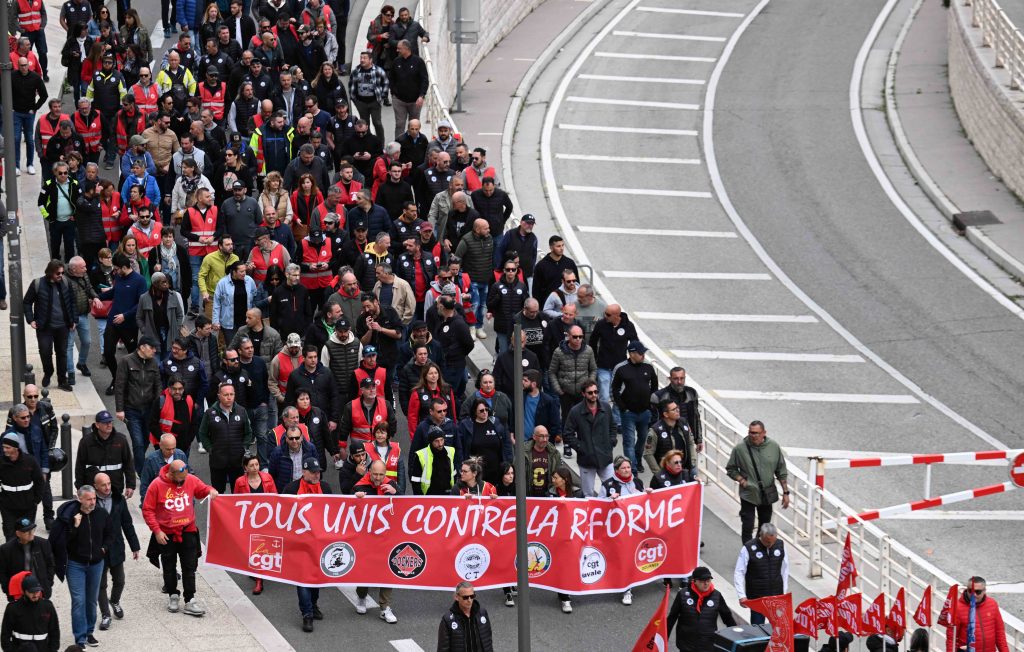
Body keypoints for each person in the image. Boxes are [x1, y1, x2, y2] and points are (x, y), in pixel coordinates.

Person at [141, 460, 217, 616]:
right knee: (169, 567)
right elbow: (148, 510)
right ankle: (173, 595)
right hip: (166, 533)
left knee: (190, 566)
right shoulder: (156, 485)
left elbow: (202, 489)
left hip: (187, 531)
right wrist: (156, 531)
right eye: (181, 477)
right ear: (171, 472)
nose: (183, 480)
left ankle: (190, 599)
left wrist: (210, 490)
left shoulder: (190, 479)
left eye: (185, 476)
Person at [50, 485, 111, 648]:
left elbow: (110, 534)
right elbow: (60, 542)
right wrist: (74, 527)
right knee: (78, 601)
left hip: (96, 564)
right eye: (89, 499)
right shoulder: (70, 516)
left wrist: (104, 548)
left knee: (91, 601)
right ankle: (80, 638)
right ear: (79, 499)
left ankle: (89, 632)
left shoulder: (101, 514)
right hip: (75, 565)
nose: (93, 502)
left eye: (94, 499)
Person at [280, 457, 332, 632]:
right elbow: (283, 515)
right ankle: (307, 614)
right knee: (303, 579)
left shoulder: (325, 488)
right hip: (299, 543)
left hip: (319, 542)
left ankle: (313, 604)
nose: (317, 475)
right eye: (313, 472)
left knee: (316, 578)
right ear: (303, 472)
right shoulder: (291, 489)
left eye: (318, 472)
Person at [725, 420, 790, 543]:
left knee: (764, 527)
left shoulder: (773, 447)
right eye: (751, 432)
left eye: (756, 433)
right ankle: (747, 553)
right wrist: (742, 480)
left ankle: (759, 552)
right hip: (748, 493)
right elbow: (731, 469)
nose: (753, 436)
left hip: (766, 493)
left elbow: (781, 470)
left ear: (764, 433)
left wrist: (786, 493)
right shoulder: (740, 449)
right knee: (747, 525)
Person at [350, 460, 397, 623]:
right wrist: (356, 499)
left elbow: (404, 506)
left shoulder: (391, 485)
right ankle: (361, 596)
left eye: (381, 475)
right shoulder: (359, 486)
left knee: (388, 571)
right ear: (369, 472)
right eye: (375, 474)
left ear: (386, 474)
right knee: (365, 571)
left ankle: (384, 607)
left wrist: (396, 492)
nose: (378, 478)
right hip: (366, 538)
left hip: (386, 537)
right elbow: (347, 509)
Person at [91, 473, 139, 631]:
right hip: (99, 550)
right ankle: (105, 614)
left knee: (120, 580)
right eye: (103, 485)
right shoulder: (91, 501)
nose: (107, 487)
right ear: (96, 486)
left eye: (109, 483)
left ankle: (115, 601)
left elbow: (127, 523)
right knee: (101, 584)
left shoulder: (118, 499)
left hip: (116, 547)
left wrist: (135, 546)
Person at [23, 260, 77, 391]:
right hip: (44, 327)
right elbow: (27, 302)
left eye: (62, 273)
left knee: (62, 353)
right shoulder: (37, 284)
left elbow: (72, 301)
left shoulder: (65, 282)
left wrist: (74, 320)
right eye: (58, 273)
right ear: (50, 272)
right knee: (45, 351)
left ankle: (62, 380)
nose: (61, 275)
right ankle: (48, 372)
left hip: (63, 326)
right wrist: (31, 320)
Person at [114, 335, 161, 474]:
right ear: (142, 347)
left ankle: (134, 463)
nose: (154, 351)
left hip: (149, 409)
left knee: (145, 440)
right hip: (131, 409)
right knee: (138, 442)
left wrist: (158, 405)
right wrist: (119, 409)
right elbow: (120, 386)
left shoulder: (154, 363)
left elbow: (158, 385)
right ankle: (140, 472)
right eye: (151, 348)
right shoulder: (126, 361)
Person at [198, 383, 254, 493]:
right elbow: (202, 433)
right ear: (219, 396)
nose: (229, 397)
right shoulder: (210, 413)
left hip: (237, 461)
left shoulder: (242, 411)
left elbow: (248, 433)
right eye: (225, 395)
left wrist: (243, 448)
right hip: (217, 461)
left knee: (238, 492)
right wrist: (210, 449)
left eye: (231, 394)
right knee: (218, 493)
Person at [611, 340, 658, 472]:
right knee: (629, 442)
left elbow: (654, 386)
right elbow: (614, 390)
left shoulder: (648, 368)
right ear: (632, 354)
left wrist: (650, 405)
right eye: (641, 353)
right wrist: (622, 408)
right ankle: (633, 468)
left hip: (645, 412)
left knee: (643, 439)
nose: (643, 355)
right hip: (628, 413)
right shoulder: (621, 369)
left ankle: (637, 458)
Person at [666, 566, 736, 652]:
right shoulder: (682, 594)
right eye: (702, 581)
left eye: (708, 580)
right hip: (686, 644)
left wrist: (737, 636)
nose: (706, 583)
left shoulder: (717, 596)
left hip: (708, 645)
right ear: (694, 581)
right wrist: (663, 638)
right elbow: (672, 617)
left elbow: (727, 617)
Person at [563, 381, 614, 497]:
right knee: (588, 494)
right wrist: (581, 447)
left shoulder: (605, 407)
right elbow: (567, 433)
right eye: (590, 393)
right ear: (583, 394)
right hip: (587, 459)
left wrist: (611, 442)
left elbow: (613, 426)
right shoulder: (575, 411)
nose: (594, 395)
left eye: (596, 392)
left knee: (612, 490)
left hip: (605, 457)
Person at [733, 523, 788, 626]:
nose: (770, 544)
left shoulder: (780, 546)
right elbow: (739, 572)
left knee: (779, 628)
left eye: (773, 541)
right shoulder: (748, 548)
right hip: (757, 597)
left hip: (776, 596)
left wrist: (783, 592)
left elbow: (784, 570)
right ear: (760, 535)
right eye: (767, 542)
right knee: (758, 628)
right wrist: (741, 595)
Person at [74, 411, 136, 499]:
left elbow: (128, 463)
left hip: (115, 488)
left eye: (110, 422)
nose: (109, 425)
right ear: (97, 425)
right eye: (105, 423)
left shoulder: (121, 440)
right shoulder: (86, 442)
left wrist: (130, 485)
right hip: (93, 489)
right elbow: (80, 466)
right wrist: (79, 487)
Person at [457, 399, 511, 489]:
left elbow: (506, 443)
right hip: (476, 473)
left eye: (486, 409)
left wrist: (508, 462)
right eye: (481, 410)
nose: (485, 412)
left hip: (495, 470)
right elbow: (461, 447)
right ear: (475, 412)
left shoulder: (496, 423)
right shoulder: (466, 426)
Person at [945, 577, 1008, 652]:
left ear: (984, 591)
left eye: (978, 592)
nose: (973, 594)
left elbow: (1000, 633)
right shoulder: (957, 608)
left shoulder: (992, 604)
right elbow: (951, 638)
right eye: (970, 591)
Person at [0, 434, 45, 540]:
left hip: (27, 507)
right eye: (3, 447)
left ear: (16, 448)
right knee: (10, 536)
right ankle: (11, 557)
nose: (4, 449)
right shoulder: (1, 463)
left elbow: (40, 481)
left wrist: (36, 501)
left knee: (26, 536)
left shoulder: (30, 461)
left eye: (7, 447)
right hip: (8, 508)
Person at [0, 572, 60, 650]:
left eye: (37, 591)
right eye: (32, 592)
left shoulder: (48, 607)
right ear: (24, 591)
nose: (35, 595)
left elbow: (54, 632)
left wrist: (52, 650)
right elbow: (5, 636)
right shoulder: (13, 608)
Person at [0, 518, 54, 600]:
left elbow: (51, 564)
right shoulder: (6, 549)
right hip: (18, 592)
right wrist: (8, 590)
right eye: (26, 531)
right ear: (18, 533)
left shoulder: (43, 544)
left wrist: (48, 582)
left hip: (40, 590)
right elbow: (2, 572)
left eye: (32, 530)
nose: (31, 533)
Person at [645, 401, 698, 484]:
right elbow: (648, 454)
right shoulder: (655, 430)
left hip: (686, 470)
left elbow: (691, 442)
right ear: (666, 414)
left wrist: (693, 461)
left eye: (677, 408)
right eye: (674, 409)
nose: (678, 410)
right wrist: (659, 473)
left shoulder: (683, 422)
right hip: (667, 474)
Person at [437, 581, 493, 652]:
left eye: (472, 596)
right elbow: (443, 648)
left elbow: (488, 641)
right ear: (456, 597)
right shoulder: (448, 619)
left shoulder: (482, 613)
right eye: (465, 597)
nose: (469, 600)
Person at [138, 434, 189, 502]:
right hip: (159, 501)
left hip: (177, 500)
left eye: (174, 448)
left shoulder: (181, 456)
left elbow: (187, 479)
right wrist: (146, 503)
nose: (172, 452)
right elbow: (145, 484)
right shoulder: (151, 460)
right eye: (168, 449)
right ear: (160, 446)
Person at [267, 425, 317, 493]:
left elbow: (316, 469)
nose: (294, 441)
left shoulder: (311, 449)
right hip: (285, 491)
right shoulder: (277, 452)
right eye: (291, 438)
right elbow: (272, 474)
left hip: (306, 489)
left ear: (301, 437)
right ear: (286, 439)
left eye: (297, 438)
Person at [524, 426, 562, 497]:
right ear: (534, 437)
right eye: (541, 436)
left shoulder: (554, 453)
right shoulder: (524, 453)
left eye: (547, 436)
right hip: (528, 495)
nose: (545, 439)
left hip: (548, 496)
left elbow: (559, 474)